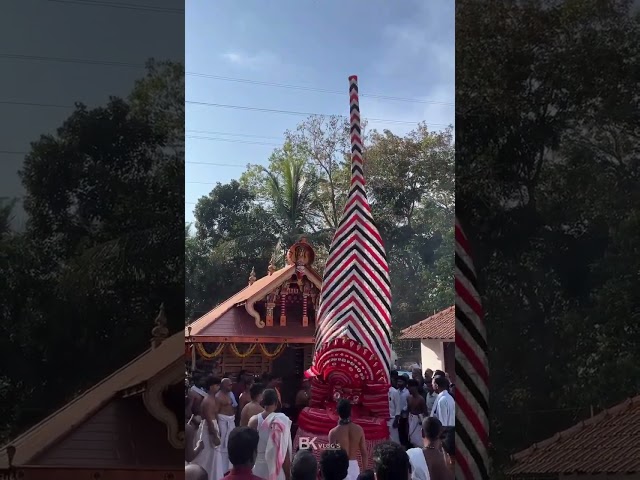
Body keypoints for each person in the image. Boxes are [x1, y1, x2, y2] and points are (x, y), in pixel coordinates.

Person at [249, 388, 292, 480]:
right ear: (276, 403)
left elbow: (249, 449)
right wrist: (288, 475)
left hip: (258, 469)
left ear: (262, 402)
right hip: (277, 471)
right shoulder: (282, 421)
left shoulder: (253, 421)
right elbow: (285, 453)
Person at [328, 399, 368, 478]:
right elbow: (364, 453)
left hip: (340, 468)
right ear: (350, 412)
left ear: (337, 412)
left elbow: (331, 456)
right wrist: (364, 473)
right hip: (354, 468)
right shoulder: (359, 429)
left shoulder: (333, 433)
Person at [192, 376, 222, 478]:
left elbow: (215, 416)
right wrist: (214, 435)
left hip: (214, 426)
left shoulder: (214, 399)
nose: (218, 387)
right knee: (205, 456)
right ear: (210, 387)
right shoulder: (208, 401)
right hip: (207, 428)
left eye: (219, 385)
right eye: (216, 385)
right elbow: (209, 420)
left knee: (213, 456)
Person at [216, 378, 239, 477]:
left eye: (231, 384)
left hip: (231, 421)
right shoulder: (218, 396)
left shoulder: (230, 395)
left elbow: (234, 406)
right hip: (222, 422)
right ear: (223, 385)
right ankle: (221, 469)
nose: (231, 386)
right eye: (229, 385)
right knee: (222, 446)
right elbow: (216, 412)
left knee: (231, 444)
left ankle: (228, 468)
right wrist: (217, 427)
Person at [406, 380, 427, 447]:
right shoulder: (408, 398)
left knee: (419, 441)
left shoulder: (421, 399)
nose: (409, 389)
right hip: (411, 419)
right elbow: (408, 410)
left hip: (419, 421)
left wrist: (423, 422)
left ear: (415, 387)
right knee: (411, 438)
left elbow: (425, 413)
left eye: (410, 387)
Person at [388, 371, 402, 443]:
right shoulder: (382, 391)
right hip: (384, 420)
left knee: (394, 440)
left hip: (392, 419)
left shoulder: (394, 392)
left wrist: (396, 420)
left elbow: (398, 407)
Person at [397, 375, 410, 447]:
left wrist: (402, 410)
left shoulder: (407, 393)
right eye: (398, 381)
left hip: (404, 415)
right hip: (398, 415)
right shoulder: (396, 392)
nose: (399, 383)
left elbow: (407, 404)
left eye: (400, 381)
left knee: (405, 431)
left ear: (404, 383)